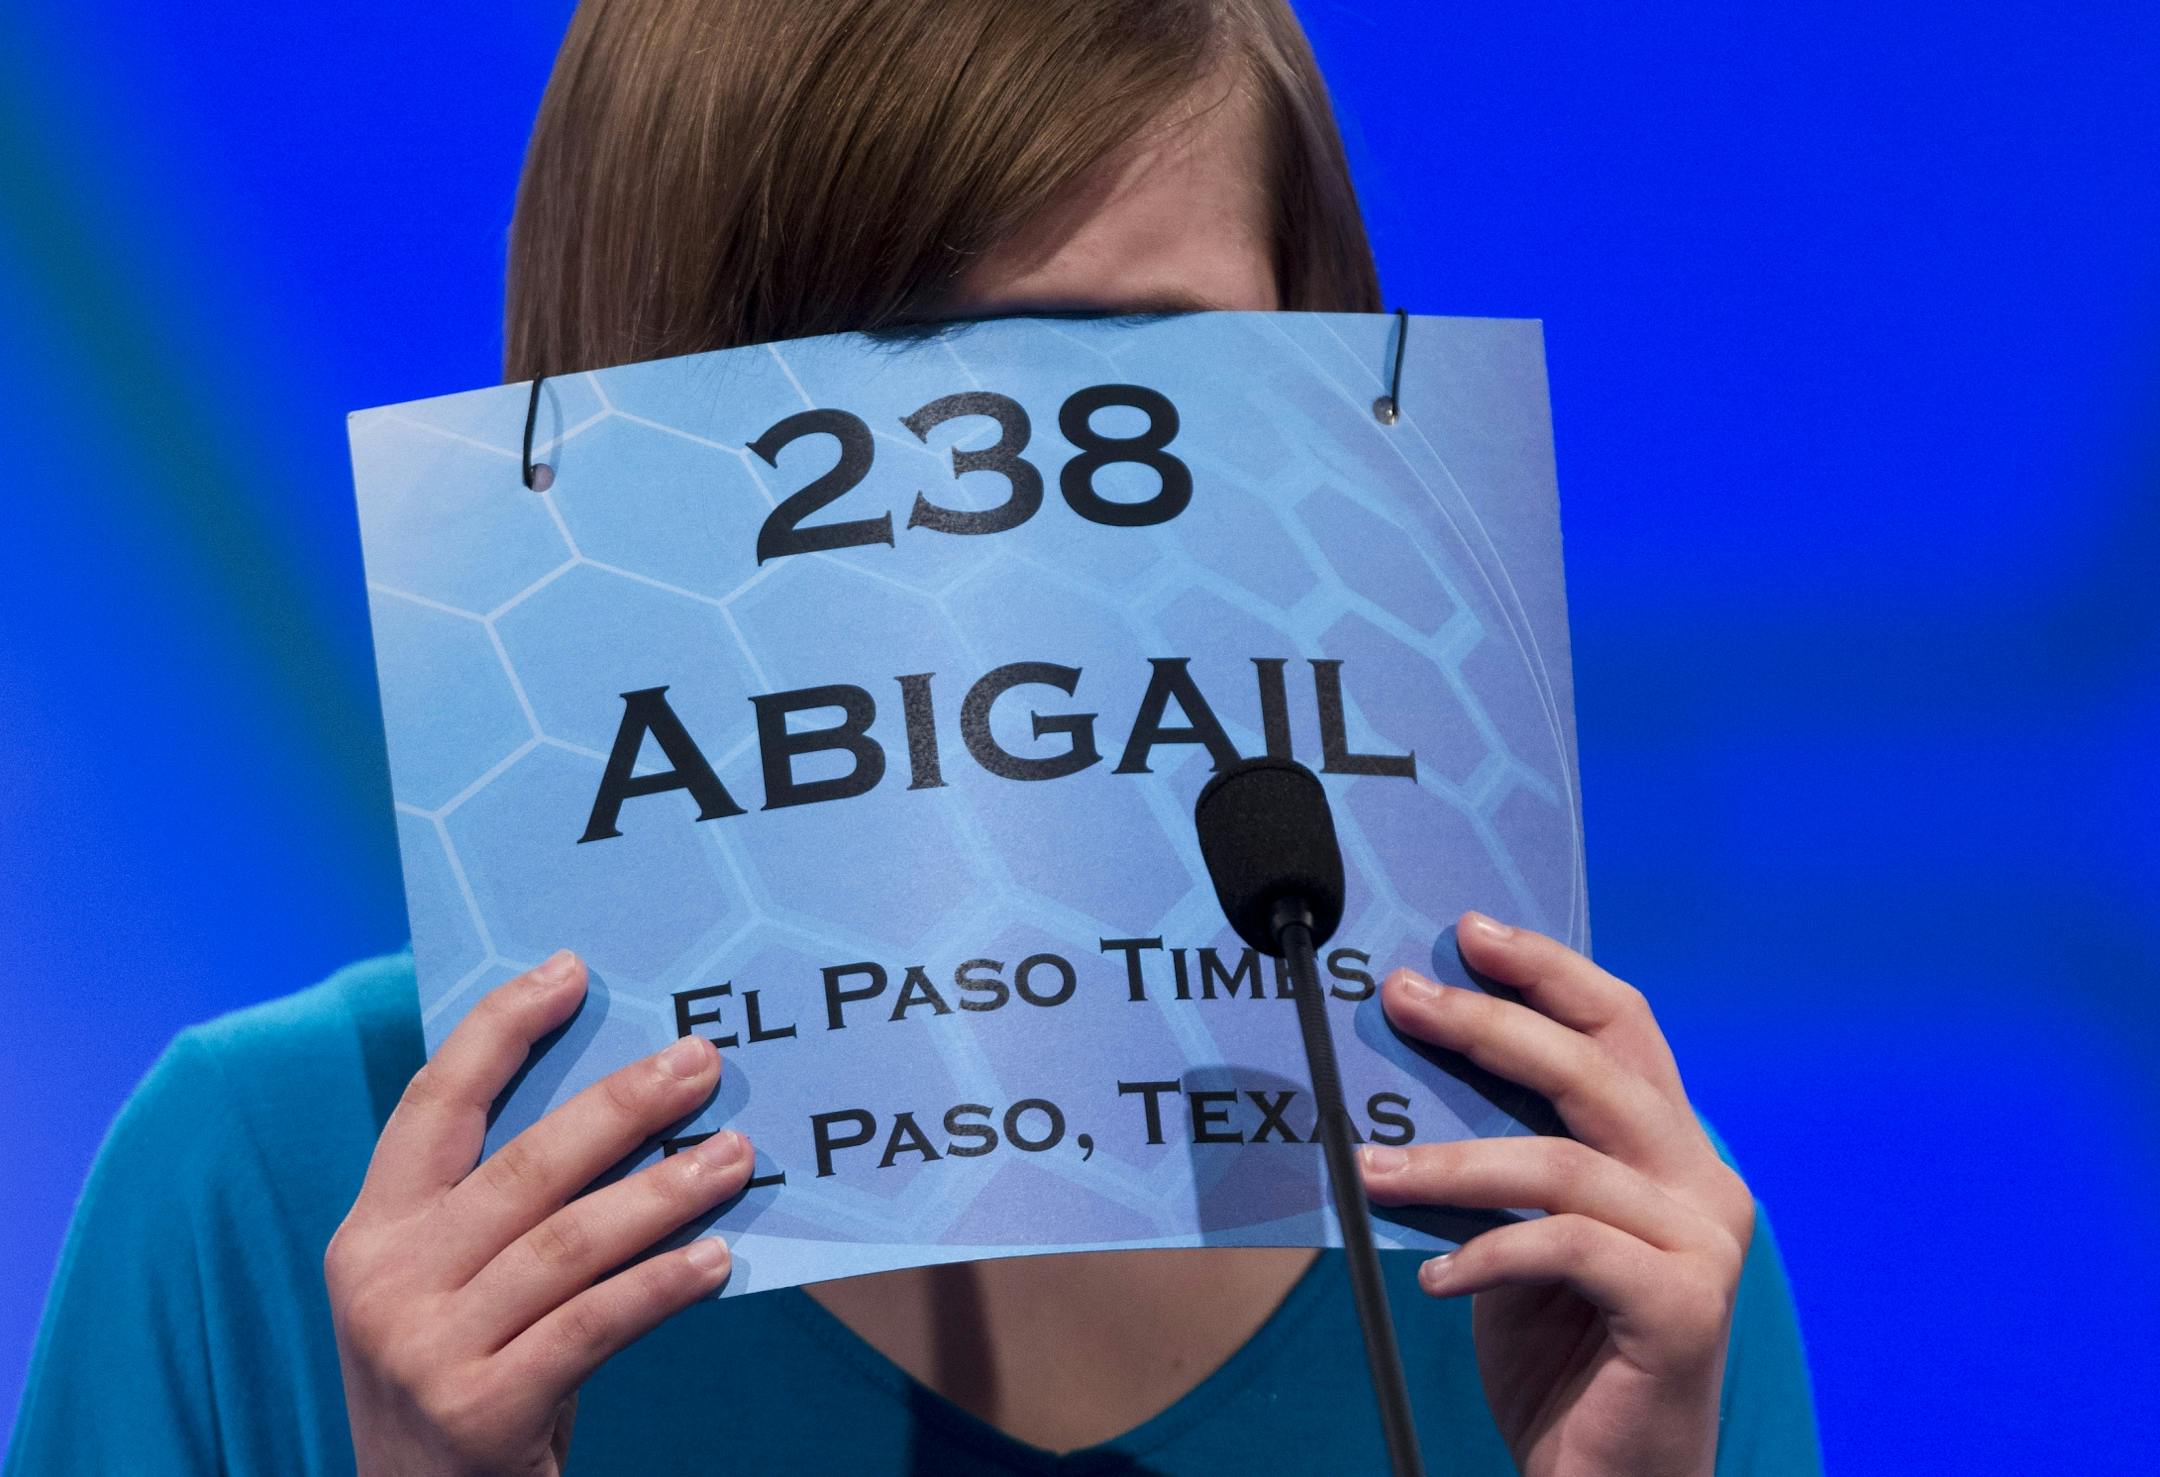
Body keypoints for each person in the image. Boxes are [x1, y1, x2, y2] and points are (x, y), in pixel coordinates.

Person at [8, 2, 1823, 1472]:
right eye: (874, 369)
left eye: (1128, 376)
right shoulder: (266, 1179)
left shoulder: (1581, 1234)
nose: (999, 534)